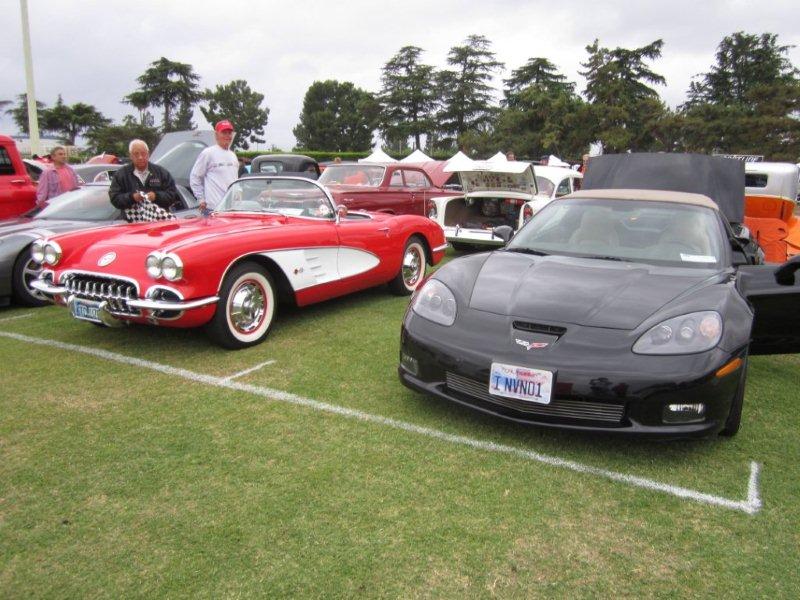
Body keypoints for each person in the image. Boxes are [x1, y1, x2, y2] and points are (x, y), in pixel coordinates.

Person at [109, 139, 180, 222]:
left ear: (148, 154)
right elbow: (115, 198)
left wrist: (156, 196)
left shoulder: (161, 172)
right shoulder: (121, 175)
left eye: (143, 153)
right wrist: (132, 197)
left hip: (159, 223)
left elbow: (172, 195)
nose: (140, 157)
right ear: (130, 155)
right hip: (131, 224)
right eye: (136, 154)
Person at [190, 119, 239, 214]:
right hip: (213, 209)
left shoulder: (233, 155)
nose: (227, 136)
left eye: (229, 133)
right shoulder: (208, 153)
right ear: (216, 135)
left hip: (231, 209)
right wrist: (201, 199)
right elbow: (195, 176)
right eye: (224, 133)